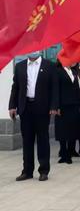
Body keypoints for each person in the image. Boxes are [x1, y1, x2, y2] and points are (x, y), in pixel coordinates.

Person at [9, 52, 59, 182]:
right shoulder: (19, 66)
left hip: (42, 108)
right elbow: (15, 88)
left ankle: (43, 170)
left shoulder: (49, 66)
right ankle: (27, 171)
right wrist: (12, 106)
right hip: (25, 108)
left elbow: (54, 88)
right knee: (27, 141)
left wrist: (54, 106)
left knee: (43, 139)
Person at [55, 64, 80, 164]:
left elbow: (77, 88)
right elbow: (56, 89)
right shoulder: (58, 72)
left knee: (72, 128)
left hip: (74, 104)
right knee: (62, 129)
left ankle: (71, 150)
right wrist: (56, 106)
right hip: (62, 105)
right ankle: (63, 152)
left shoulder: (74, 72)